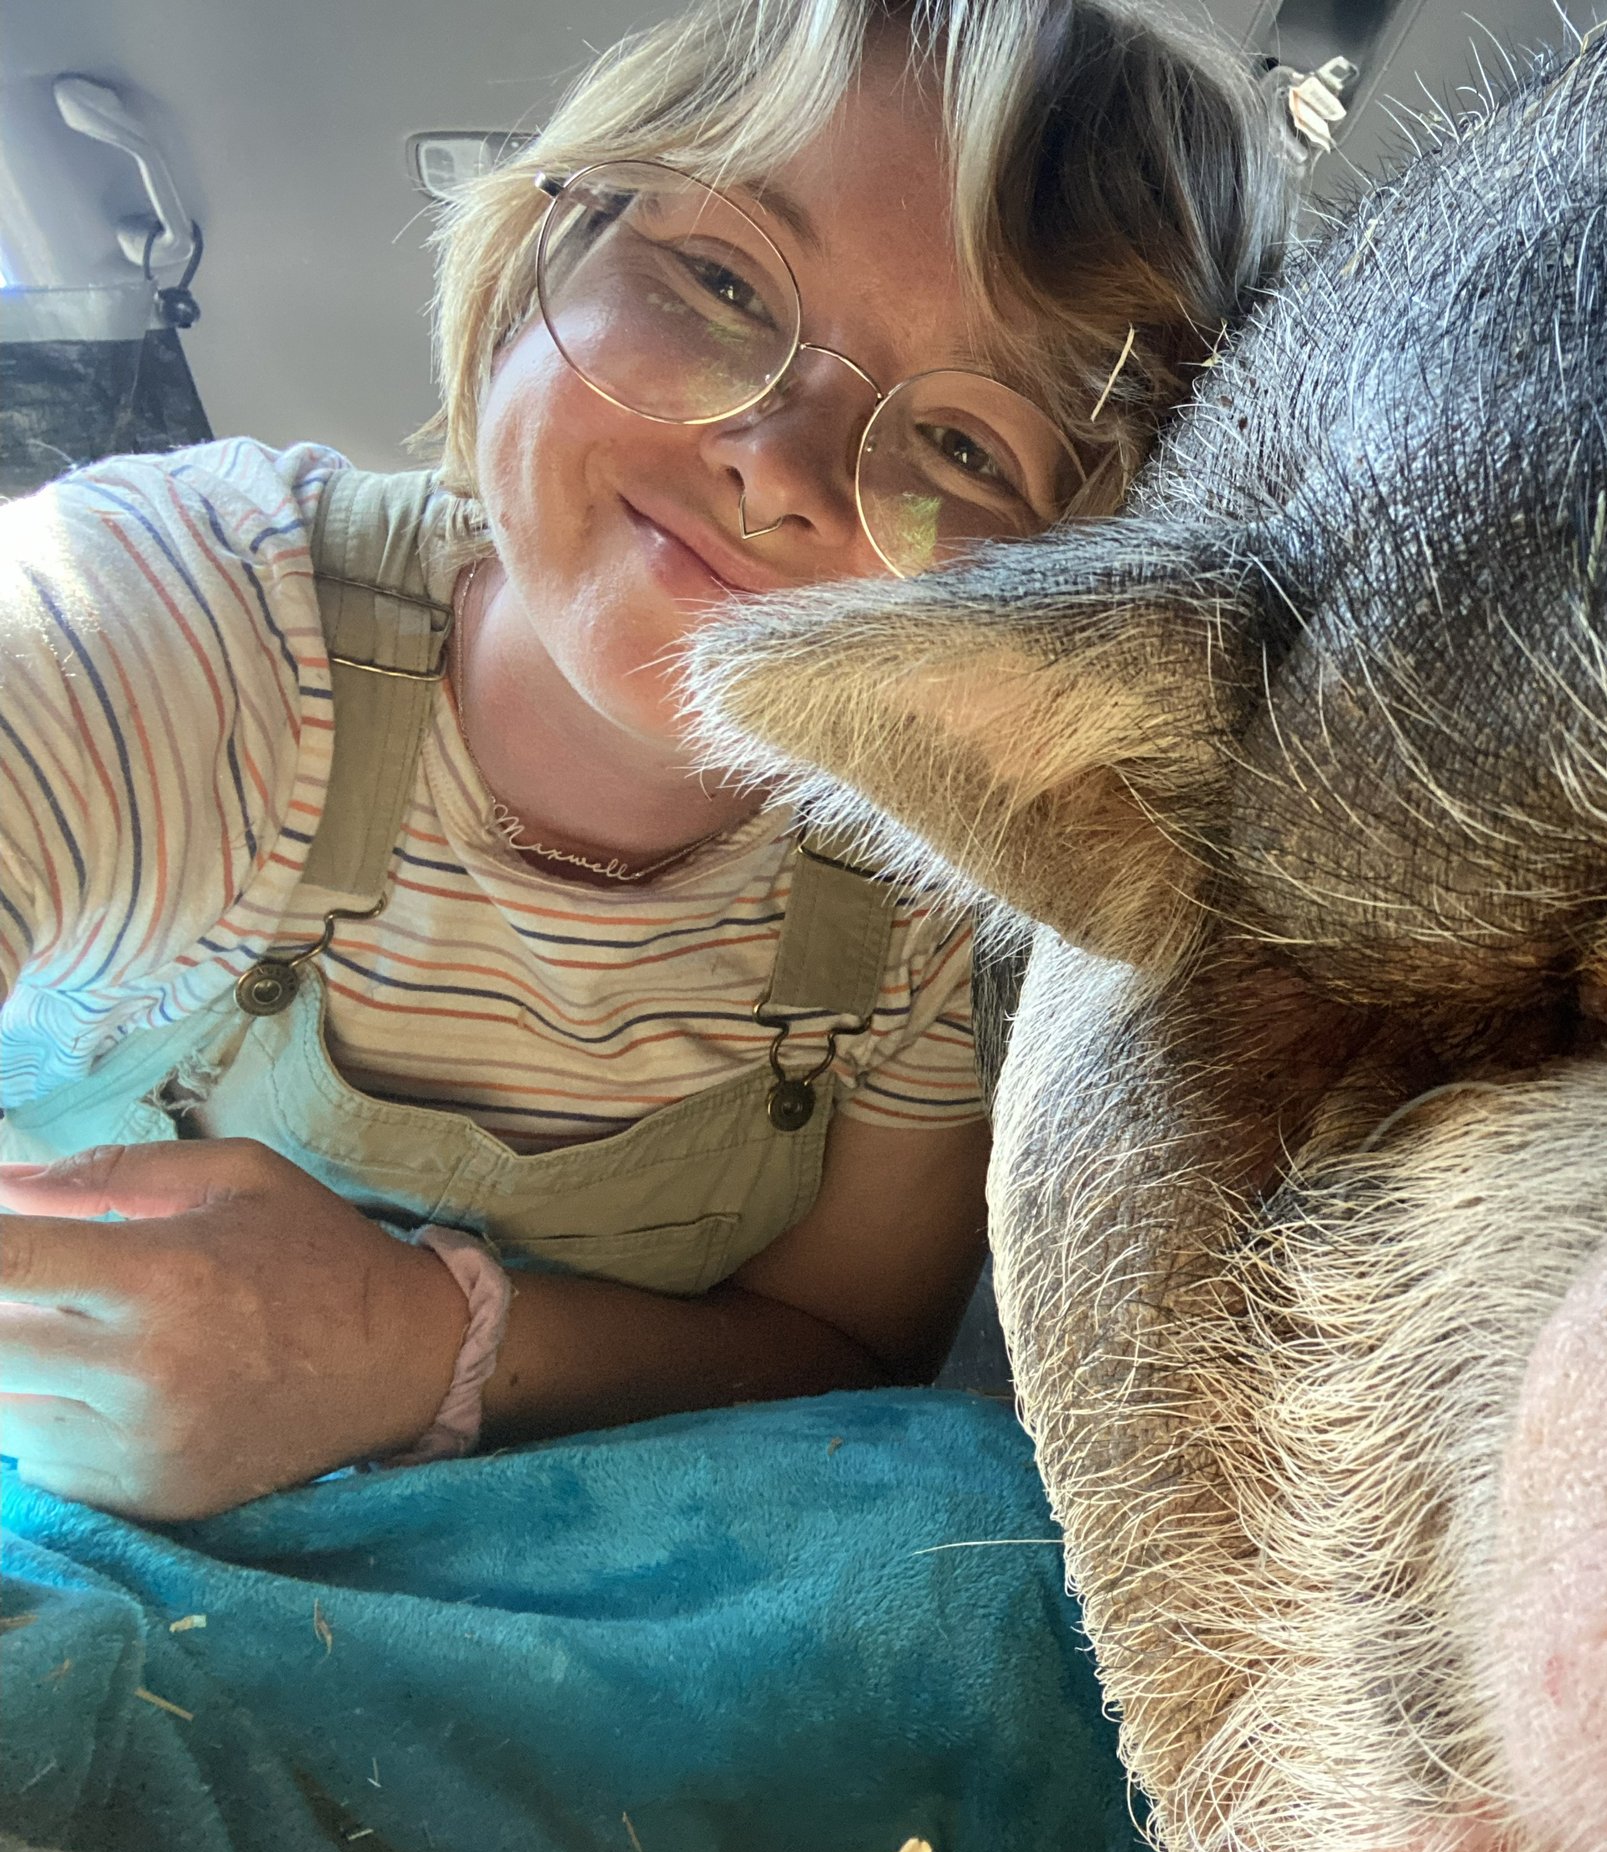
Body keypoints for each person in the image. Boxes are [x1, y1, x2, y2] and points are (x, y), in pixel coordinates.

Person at [0, 0, 1287, 1523]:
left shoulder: (934, 887)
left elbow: (847, 1351)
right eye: (726, 281)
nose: (780, 463)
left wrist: (408, 1348)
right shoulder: (172, 614)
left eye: (964, 450)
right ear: (549, 243)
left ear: (1059, 589)